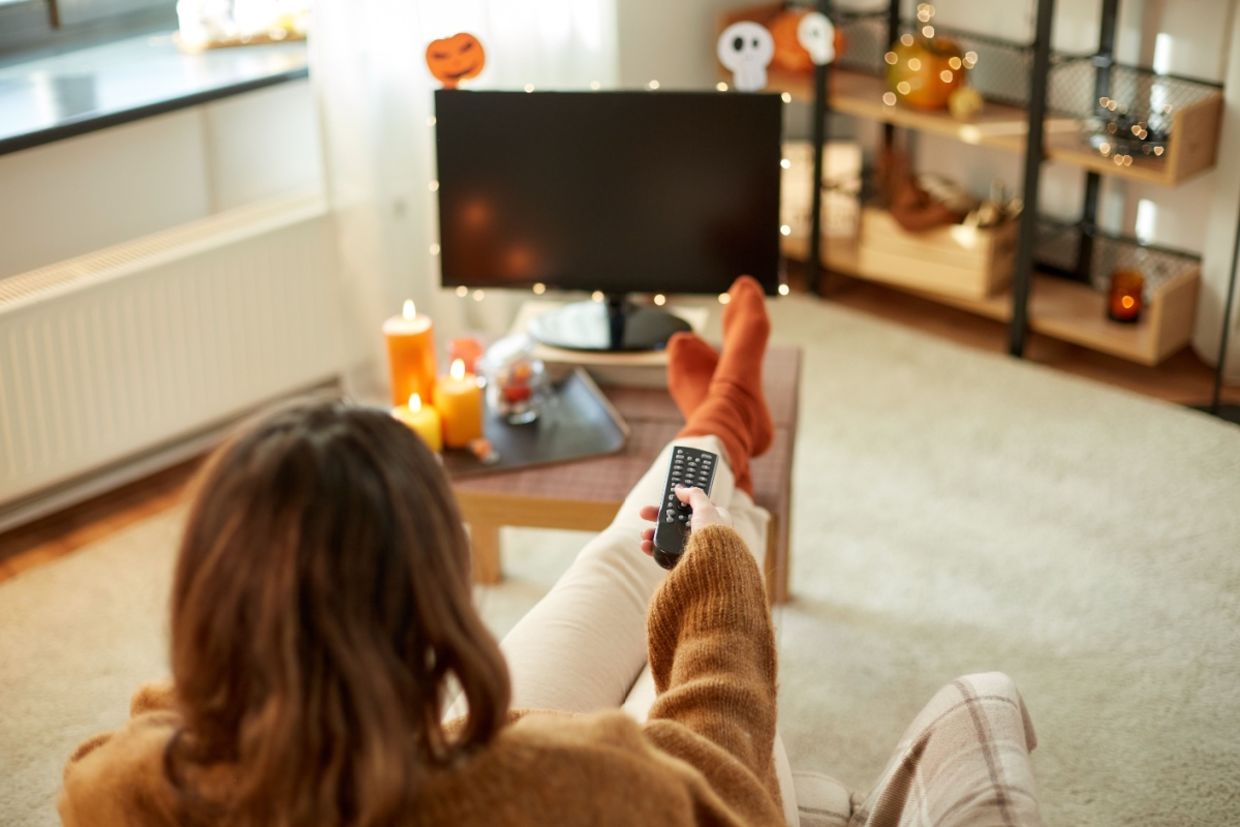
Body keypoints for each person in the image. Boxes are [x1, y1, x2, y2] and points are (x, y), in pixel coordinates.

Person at [58, 276, 794, 826]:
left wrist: (234, 682)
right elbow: (732, 793)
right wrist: (721, 578)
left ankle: (724, 416)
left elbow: (140, 736)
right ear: (431, 607)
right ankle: (728, 430)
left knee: (624, 558)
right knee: (676, 561)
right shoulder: (576, 783)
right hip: (446, 759)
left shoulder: (129, 790)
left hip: (374, 745)